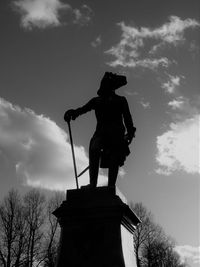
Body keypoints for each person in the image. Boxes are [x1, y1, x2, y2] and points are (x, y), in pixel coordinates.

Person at [64, 72, 136, 187]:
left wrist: (130, 133)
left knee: (114, 156)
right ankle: (93, 184)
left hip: (116, 133)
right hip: (101, 133)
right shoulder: (96, 101)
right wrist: (73, 113)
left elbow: (128, 118)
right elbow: (83, 109)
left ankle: (111, 186)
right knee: (94, 148)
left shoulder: (120, 100)